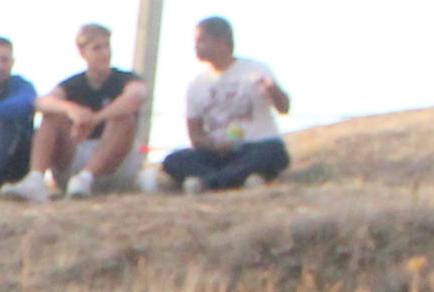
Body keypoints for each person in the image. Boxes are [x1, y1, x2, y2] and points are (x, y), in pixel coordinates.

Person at [159, 14, 291, 192]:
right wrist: (215, 145)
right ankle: (238, 180)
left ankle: (208, 181)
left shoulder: (256, 69)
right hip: (218, 154)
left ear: (221, 41)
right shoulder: (196, 84)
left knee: (274, 152)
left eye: (201, 41)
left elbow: (284, 108)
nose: (196, 47)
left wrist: (273, 90)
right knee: (174, 160)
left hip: (255, 145)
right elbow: (195, 135)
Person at [32, 22, 149, 194]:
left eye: (107, 47)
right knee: (51, 117)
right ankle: (35, 180)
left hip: (115, 164)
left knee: (124, 118)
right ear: (82, 52)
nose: (105, 53)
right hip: (76, 159)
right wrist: (71, 110)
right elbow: (41, 102)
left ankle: (87, 177)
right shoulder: (73, 84)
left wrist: (95, 119)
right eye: (97, 48)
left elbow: (136, 96)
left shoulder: (126, 78)